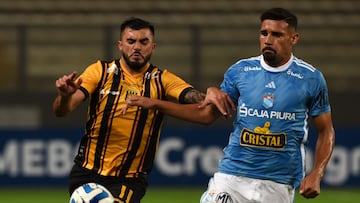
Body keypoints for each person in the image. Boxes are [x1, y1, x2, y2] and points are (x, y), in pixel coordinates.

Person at [124, 8, 335, 203]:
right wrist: (155, 104)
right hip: (231, 177)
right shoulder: (241, 71)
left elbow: (326, 131)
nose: (268, 40)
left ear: (293, 38)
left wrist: (317, 173)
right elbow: (206, 115)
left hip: (278, 184)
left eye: (277, 35)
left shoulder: (310, 78)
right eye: (264, 33)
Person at [52, 17, 233, 203]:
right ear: (120, 45)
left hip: (129, 179)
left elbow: (200, 102)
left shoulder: (162, 80)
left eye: (143, 42)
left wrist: (210, 93)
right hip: (86, 172)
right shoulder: (100, 71)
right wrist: (64, 96)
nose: (137, 47)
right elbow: (62, 110)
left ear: (153, 46)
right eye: (131, 41)